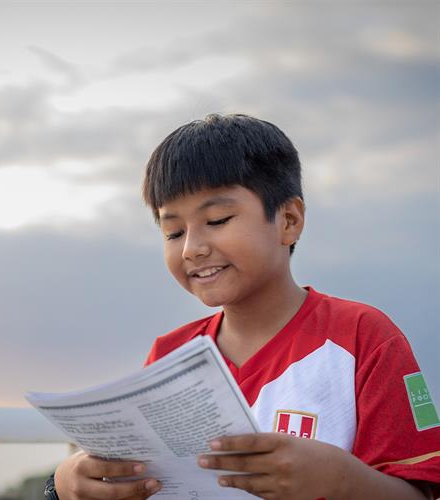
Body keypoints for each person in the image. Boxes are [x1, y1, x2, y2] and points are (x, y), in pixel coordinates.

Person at [48, 114, 440, 500]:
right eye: (174, 231)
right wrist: (66, 484)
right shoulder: (169, 355)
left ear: (289, 220)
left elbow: (419, 492)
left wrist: (339, 479)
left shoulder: (361, 337)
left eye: (217, 220)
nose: (192, 248)